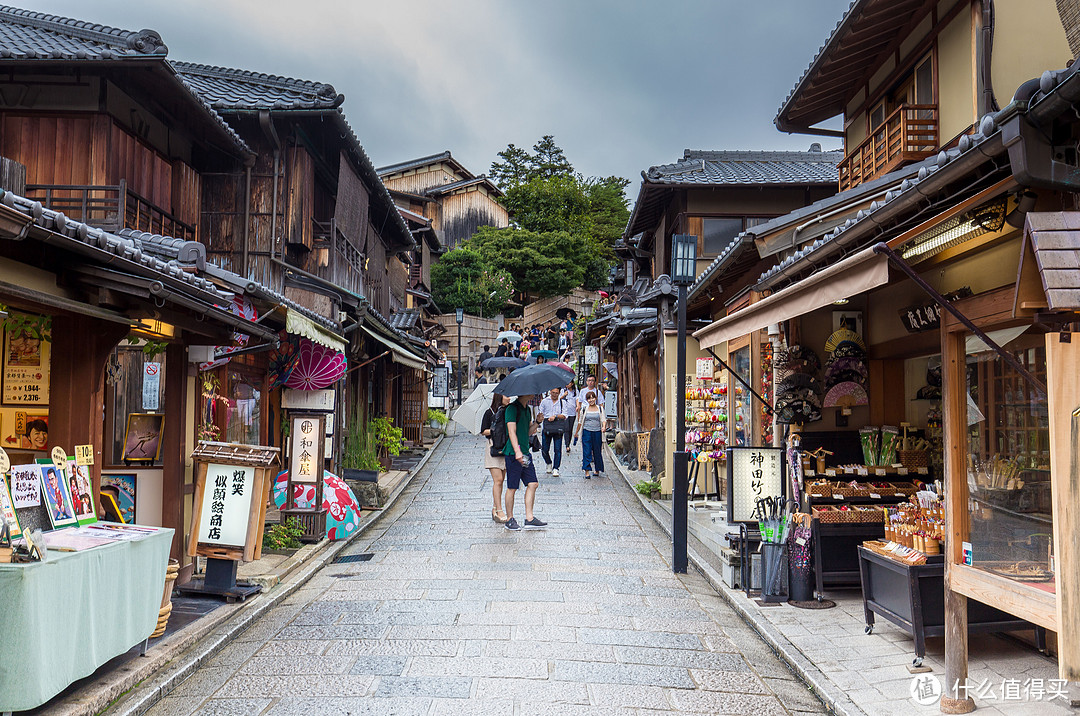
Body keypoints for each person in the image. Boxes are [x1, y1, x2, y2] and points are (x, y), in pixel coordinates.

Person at [502, 393, 546, 530]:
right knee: (512, 487)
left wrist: (537, 422)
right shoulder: (512, 409)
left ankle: (529, 518)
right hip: (513, 453)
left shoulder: (526, 409)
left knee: (533, 483)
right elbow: (511, 432)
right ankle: (509, 519)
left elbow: (527, 432)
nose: (534, 393)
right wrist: (517, 451)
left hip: (525, 452)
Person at [481, 393, 511, 524]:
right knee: (498, 480)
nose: (509, 398)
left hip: (505, 448)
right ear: (499, 397)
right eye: (506, 396)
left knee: (502, 480)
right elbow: (483, 431)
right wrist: (495, 429)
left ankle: (494, 508)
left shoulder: (508, 411)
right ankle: (499, 510)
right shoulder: (489, 412)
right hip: (493, 447)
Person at [537, 387, 569, 476]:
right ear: (550, 392)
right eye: (553, 392)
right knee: (544, 449)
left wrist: (556, 416)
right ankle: (548, 462)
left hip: (558, 426)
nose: (554, 395)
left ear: (559, 393)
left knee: (557, 449)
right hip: (547, 426)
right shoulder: (545, 401)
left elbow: (565, 415)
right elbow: (540, 412)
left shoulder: (562, 402)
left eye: (556, 393)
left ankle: (556, 468)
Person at [573, 391, 606, 478]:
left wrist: (603, 427)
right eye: (589, 398)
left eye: (592, 398)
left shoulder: (600, 409)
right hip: (587, 432)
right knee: (586, 451)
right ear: (587, 400)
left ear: (595, 398)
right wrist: (576, 432)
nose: (591, 400)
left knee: (597, 451)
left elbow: (603, 419)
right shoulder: (584, 409)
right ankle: (587, 471)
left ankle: (597, 469)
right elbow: (580, 422)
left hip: (597, 432)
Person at [561, 381, 578, 453]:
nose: (567, 384)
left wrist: (577, 406)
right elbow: (558, 399)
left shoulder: (575, 391)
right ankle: (567, 445)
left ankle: (568, 443)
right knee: (566, 429)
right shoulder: (563, 390)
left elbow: (577, 399)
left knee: (570, 429)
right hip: (565, 412)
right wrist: (564, 395)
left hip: (572, 412)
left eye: (569, 383)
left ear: (572, 384)